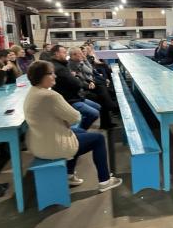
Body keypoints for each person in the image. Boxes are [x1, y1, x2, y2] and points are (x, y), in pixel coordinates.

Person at [23, 61, 122, 191]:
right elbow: (75, 117)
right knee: (98, 139)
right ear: (42, 76)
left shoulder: (33, 92)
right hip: (51, 146)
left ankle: (69, 174)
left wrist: (63, 121)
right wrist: (65, 121)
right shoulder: (50, 95)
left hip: (38, 143)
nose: (55, 76)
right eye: (51, 73)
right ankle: (105, 181)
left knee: (80, 131)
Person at [50, 45, 101, 130]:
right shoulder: (59, 68)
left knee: (98, 107)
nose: (66, 54)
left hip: (76, 96)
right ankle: (80, 131)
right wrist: (79, 81)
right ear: (57, 54)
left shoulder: (62, 65)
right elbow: (76, 83)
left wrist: (78, 79)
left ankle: (80, 129)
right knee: (94, 113)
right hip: (69, 100)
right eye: (64, 52)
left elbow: (79, 77)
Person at [68, 47, 117, 129]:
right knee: (103, 96)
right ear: (74, 55)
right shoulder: (72, 64)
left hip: (89, 84)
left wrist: (84, 61)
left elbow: (90, 70)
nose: (82, 55)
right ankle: (112, 108)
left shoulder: (78, 61)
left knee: (104, 94)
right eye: (80, 53)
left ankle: (107, 120)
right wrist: (89, 83)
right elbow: (85, 75)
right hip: (82, 90)